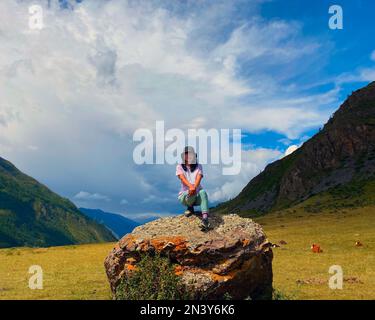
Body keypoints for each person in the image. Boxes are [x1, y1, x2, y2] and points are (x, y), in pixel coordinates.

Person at [176, 146, 210, 231]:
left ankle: (205, 219)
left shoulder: (199, 166)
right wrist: (191, 187)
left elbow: (199, 178)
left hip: (196, 193)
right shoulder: (179, 166)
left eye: (190, 154)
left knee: (202, 192)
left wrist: (194, 187)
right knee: (192, 192)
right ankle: (189, 207)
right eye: (186, 154)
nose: (188, 156)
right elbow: (182, 178)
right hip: (185, 195)